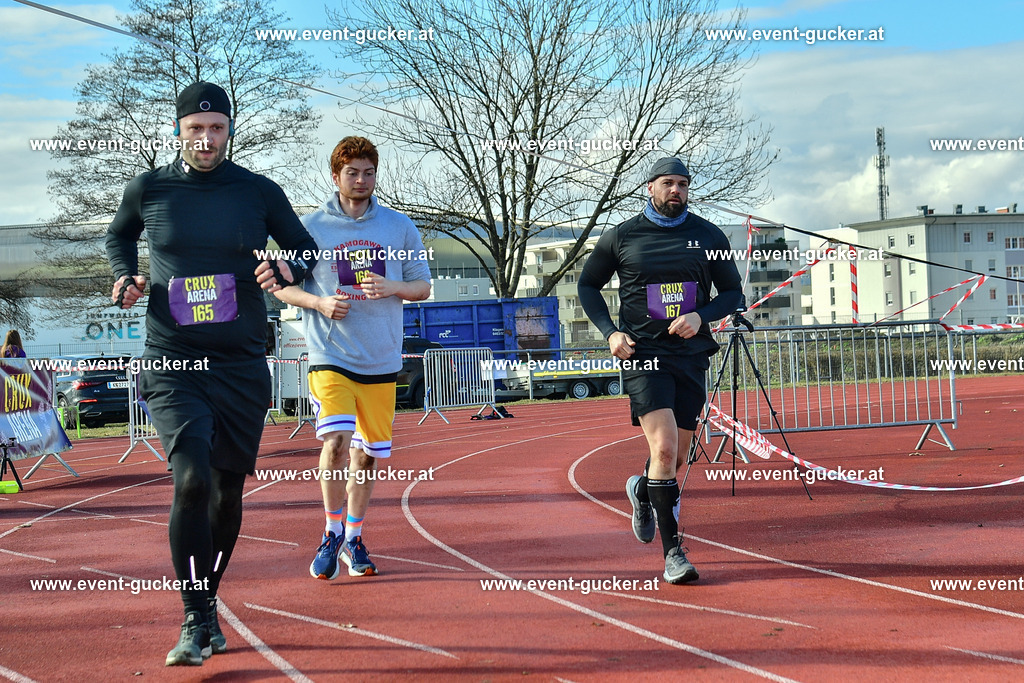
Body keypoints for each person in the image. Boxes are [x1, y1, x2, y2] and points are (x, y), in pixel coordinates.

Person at [105, 81, 317, 666]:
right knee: (192, 479)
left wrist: (284, 264)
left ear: (229, 130)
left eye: (216, 128)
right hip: (173, 358)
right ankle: (195, 619)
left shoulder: (258, 191)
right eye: (195, 129)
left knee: (226, 493)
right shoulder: (150, 188)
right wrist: (126, 275)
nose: (205, 139)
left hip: (241, 361)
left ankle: (209, 602)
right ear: (177, 130)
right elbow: (118, 235)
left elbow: (306, 248)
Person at [577, 157, 743, 584]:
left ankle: (643, 490)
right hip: (643, 354)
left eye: (683, 184)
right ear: (649, 188)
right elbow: (587, 285)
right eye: (668, 183)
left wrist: (702, 316)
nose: (676, 190)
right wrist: (610, 332)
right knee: (666, 448)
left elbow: (733, 293)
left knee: (678, 455)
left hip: (689, 355)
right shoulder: (622, 236)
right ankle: (674, 554)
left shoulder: (708, 236)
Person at [273, 136, 431, 581]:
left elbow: (423, 286)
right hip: (330, 353)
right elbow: (280, 286)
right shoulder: (310, 228)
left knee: (366, 455)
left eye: (368, 172)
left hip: (381, 358)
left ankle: (354, 538)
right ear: (335, 176)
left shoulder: (399, 227)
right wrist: (318, 303)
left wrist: (394, 287)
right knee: (336, 441)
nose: (360, 181)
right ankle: (330, 531)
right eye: (352, 173)